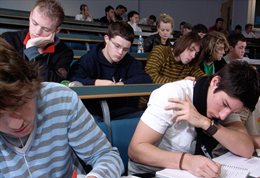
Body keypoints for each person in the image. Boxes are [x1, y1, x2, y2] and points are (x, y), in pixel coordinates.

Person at [0, 37, 124, 178]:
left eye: (21, 102)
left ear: (31, 83)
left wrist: (96, 176)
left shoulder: (61, 99)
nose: (16, 124)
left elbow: (105, 155)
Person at [128, 60, 259, 177]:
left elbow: (246, 149)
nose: (223, 115)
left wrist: (206, 123)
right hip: (149, 172)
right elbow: (136, 150)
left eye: (233, 111)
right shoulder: (172, 94)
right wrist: (187, 161)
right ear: (215, 82)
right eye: (224, 104)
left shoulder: (228, 103)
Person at [69, 21, 151, 118]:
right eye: (117, 46)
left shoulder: (130, 61)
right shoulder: (88, 60)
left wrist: (123, 84)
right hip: (94, 113)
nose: (120, 52)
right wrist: (95, 83)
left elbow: (145, 79)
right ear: (107, 39)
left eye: (125, 49)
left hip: (126, 112)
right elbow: (72, 81)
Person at [1, 0, 73, 83]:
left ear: (56, 30)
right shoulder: (8, 40)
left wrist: (32, 50)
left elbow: (53, 84)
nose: (37, 32)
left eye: (46, 29)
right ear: (30, 16)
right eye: (34, 23)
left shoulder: (64, 52)